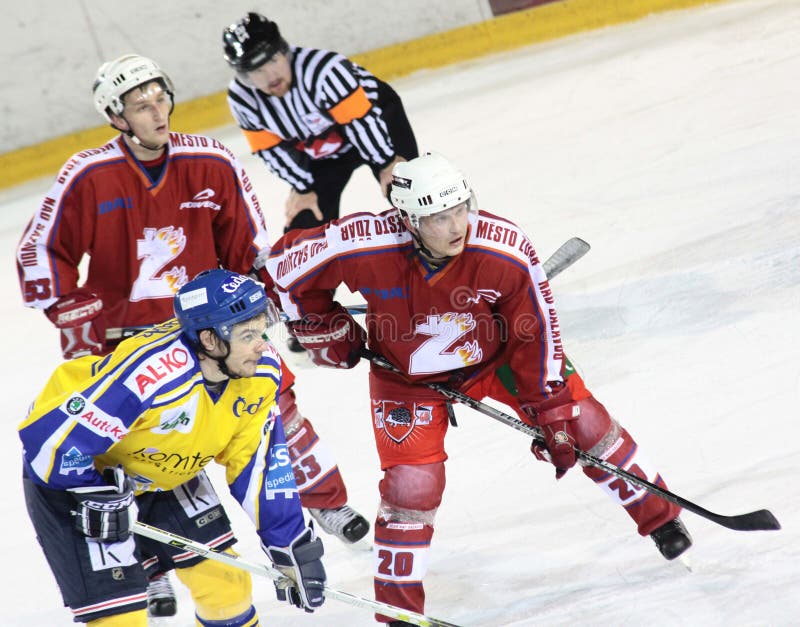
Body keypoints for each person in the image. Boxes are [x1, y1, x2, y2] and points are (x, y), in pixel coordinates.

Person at [264, 152, 693, 625]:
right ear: (407, 219)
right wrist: (321, 325)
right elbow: (282, 269)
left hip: (499, 358)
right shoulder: (361, 241)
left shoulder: (503, 249)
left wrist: (550, 413)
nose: (456, 225)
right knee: (412, 488)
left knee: (584, 424)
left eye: (460, 209)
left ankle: (661, 516)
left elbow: (536, 334)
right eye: (437, 217)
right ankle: (399, 615)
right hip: (405, 378)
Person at [14, 54, 368, 618]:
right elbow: (39, 248)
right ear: (117, 116)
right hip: (123, 346)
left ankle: (319, 505)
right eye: (140, 105)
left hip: (210, 333)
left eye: (161, 98)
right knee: (129, 441)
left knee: (266, 410)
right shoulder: (88, 173)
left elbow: (252, 247)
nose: (157, 112)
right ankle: (144, 562)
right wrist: (66, 302)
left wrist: (267, 295)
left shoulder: (211, 160)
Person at [18, 269, 326, 627]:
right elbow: (50, 440)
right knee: (122, 620)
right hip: (78, 481)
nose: (263, 344)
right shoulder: (151, 376)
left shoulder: (261, 371)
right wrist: (94, 492)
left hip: (163, 471)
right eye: (248, 335)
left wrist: (290, 544)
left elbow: (259, 464)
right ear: (210, 340)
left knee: (227, 586)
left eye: (262, 329)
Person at [222, 11, 419, 352]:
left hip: (374, 123)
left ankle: (447, 274)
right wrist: (303, 187)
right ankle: (306, 314)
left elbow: (361, 121)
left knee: (412, 192)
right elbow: (271, 151)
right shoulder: (242, 97)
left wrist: (389, 164)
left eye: (271, 60)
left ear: (283, 50)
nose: (268, 75)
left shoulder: (325, 70)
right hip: (320, 149)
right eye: (255, 69)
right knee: (303, 229)